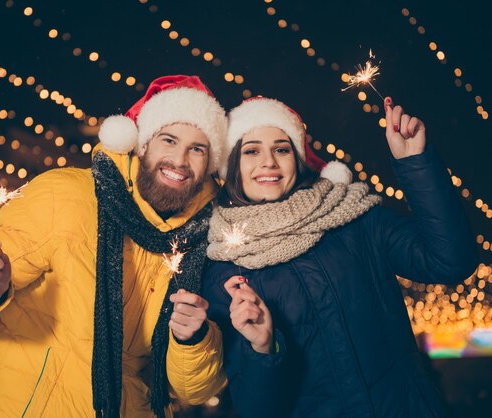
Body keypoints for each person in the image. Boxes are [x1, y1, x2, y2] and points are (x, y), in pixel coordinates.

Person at [0, 75, 228, 418]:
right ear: (142, 144)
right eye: (169, 140)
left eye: (197, 149)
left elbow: (196, 390)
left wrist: (192, 339)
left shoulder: (206, 245)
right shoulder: (67, 196)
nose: (179, 160)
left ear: (209, 165)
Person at [203, 96, 478, 417]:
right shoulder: (225, 271)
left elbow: (451, 261)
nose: (269, 162)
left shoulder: (354, 219)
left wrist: (415, 163)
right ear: (232, 166)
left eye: (282, 149)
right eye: (251, 151)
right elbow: (256, 409)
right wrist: (262, 347)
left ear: (298, 158)